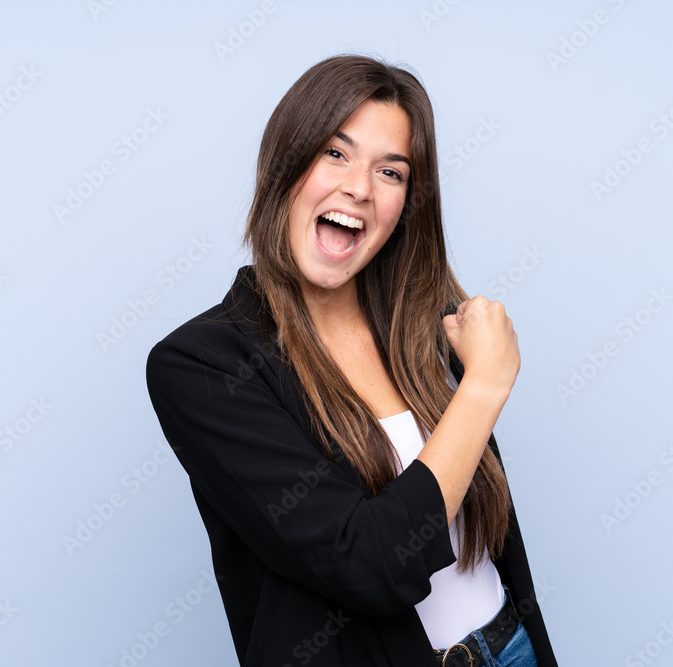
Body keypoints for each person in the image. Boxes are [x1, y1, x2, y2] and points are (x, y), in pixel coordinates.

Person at [145, 54, 559, 666]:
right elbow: (370, 562)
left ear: (405, 205)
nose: (360, 188)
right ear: (285, 166)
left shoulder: (433, 326)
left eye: (391, 172)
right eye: (335, 154)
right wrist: (483, 388)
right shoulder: (201, 366)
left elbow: (486, 539)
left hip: (511, 647)